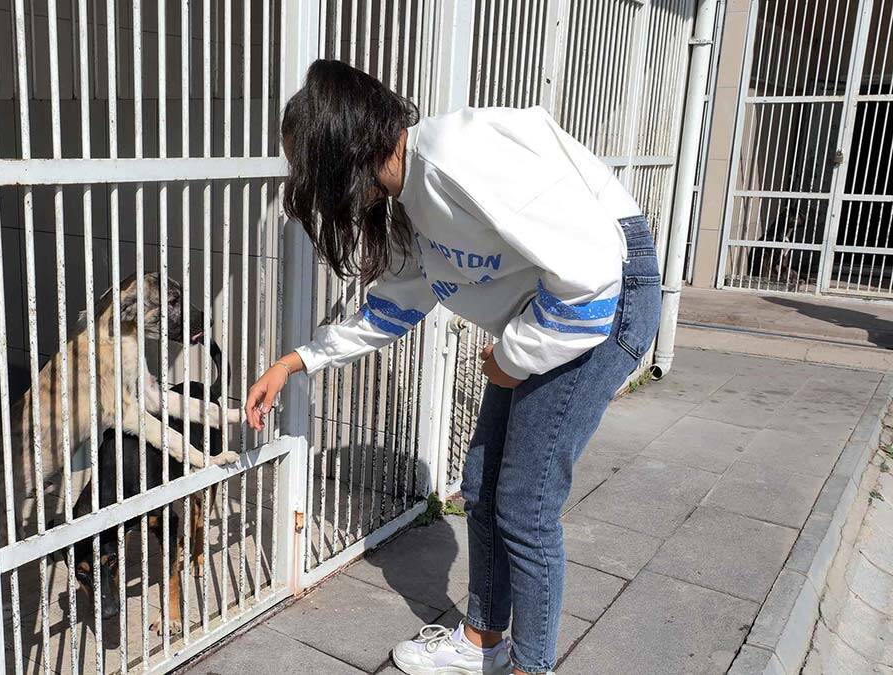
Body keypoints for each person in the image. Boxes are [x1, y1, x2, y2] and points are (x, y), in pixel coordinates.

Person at [244, 60, 661, 675]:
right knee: (483, 481)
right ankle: (484, 642)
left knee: (526, 504)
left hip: (604, 305)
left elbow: (591, 280)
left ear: (339, 152)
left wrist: (515, 358)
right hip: (547, 316)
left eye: (307, 168)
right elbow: (392, 309)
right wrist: (295, 361)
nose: (307, 186)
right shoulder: (410, 195)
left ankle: (532, 666)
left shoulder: (458, 156)